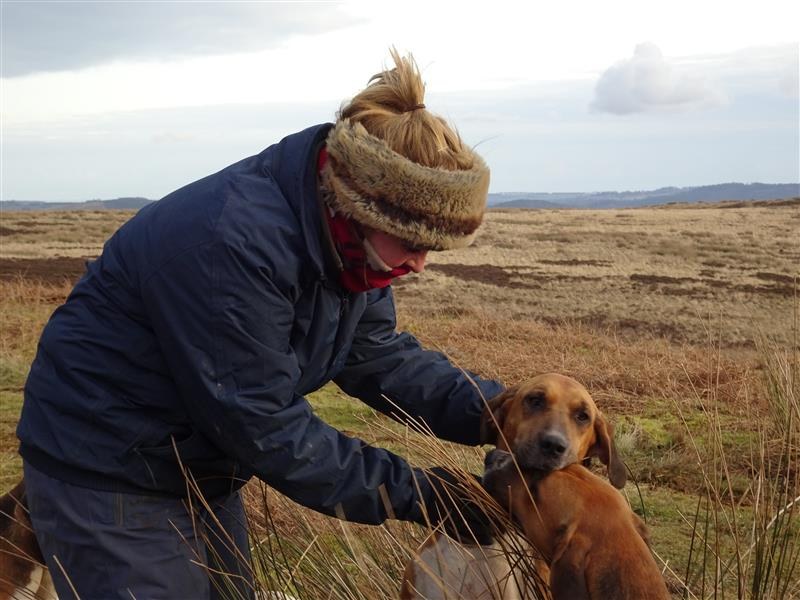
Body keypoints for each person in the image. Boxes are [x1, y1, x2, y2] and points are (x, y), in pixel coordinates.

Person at [16, 49, 503, 599]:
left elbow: (378, 356)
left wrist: (511, 415)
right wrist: (422, 494)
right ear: (363, 206)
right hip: (105, 468)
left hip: (196, 465)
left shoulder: (348, 250)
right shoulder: (233, 244)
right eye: (413, 241)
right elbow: (261, 422)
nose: (420, 264)